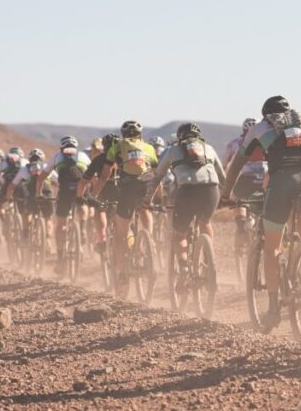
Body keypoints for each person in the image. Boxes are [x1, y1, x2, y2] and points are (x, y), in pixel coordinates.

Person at [221, 96, 301, 331]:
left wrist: (226, 193)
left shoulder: (260, 128)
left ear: (265, 114)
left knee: (271, 246)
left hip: (282, 180)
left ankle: (273, 308)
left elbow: (237, 164)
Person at [146, 122, 226, 272]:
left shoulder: (172, 150)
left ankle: (183, 267)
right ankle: (210, 263)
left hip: (187, 191)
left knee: (179, 235)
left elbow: (157, 177)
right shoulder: (209, 148)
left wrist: (147, 200)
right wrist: (225, 197)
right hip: (211, 190)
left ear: (179, 138)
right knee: (205, 222)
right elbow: (222, 176)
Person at [94, 121, 159, 291]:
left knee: (121, 234)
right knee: (145, 209)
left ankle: (122, 273)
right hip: (146, 188)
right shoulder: (149, 148)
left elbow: (105, 175)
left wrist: (94, 195)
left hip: (127, 189)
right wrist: (158, 198)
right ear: (140, 134)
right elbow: (156, 175)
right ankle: (148, 241)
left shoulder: (117, 146)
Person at [38, 136, 91, 272]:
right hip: (81, 191)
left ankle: (60, 257)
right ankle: (83, 228)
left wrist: (38, 193)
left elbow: (42, 176)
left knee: (61, 224)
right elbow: (93, 175)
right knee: (83, 205)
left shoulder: (56, 157)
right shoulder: (83, 156)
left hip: (65, 193)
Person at [224, 117, 268, 241]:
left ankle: (242, 226)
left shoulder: (234, 143)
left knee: (237, 198)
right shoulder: (267, 140)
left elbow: (225, 165)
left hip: (246, 179)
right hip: (265, 179)